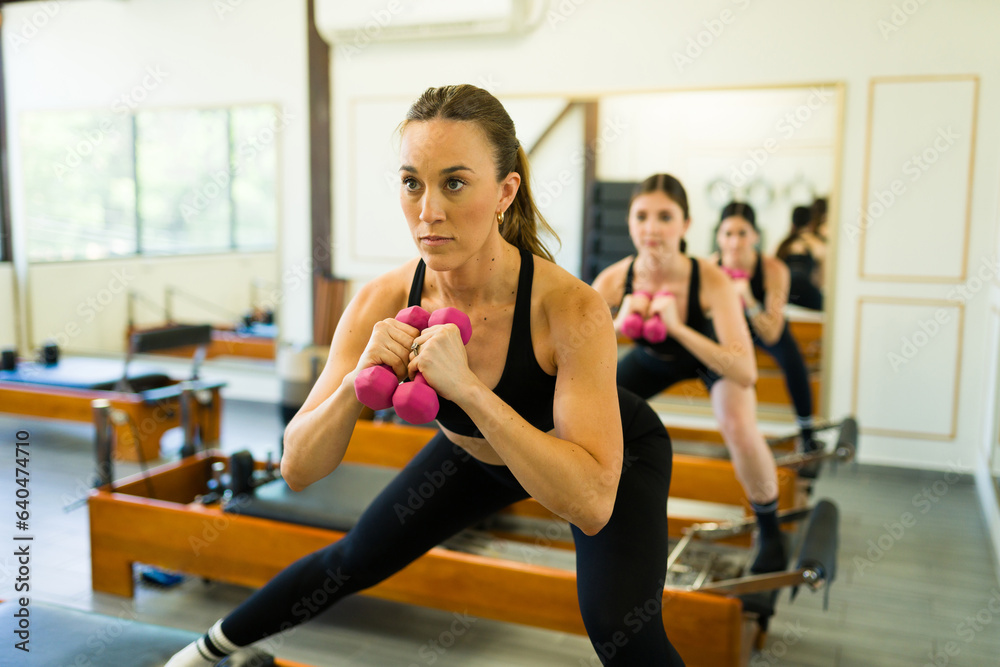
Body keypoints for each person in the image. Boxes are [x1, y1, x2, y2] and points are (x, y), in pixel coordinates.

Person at [165, 85, 684, 667]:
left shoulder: (569, 308)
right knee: (357, 558)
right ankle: (204, 653)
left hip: (602, 459)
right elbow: (299, 466)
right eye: (412, 182)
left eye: (455, 183)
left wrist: (466, 389)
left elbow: (589, 504)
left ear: (505, 191)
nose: (428, 211)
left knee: (620, 629)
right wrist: (356, 379)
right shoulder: (382, 299)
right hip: (475, 454)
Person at [591, 174, 787, 576]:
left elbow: (745, 370)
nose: (652, 228)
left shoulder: (710, 280)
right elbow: (571, 357)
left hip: (711, 359)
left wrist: (679, 328)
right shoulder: (614, 280)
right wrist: (616, 326)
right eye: (641, 216)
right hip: (652, 360)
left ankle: (770, 531)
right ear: (629, 221)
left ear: (686, 225)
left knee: (738, 424)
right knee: (591, 405)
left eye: (665, 216)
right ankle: (605, 516)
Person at [714, 201, 819, 455]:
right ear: (719, 236)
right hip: (728, 330)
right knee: (734, 370)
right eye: (728, 234)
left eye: (742, 233)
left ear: (755, 236)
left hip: (764, 327)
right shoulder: (709, 268)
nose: (735, 242)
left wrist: (748, 299)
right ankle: (741, 431)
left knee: (793, 362)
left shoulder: (774, 269)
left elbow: (772, 333)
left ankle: (807, 433)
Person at [775, 205, 825, 311]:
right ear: (811, 224)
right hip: (808, 295)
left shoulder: (783, 245)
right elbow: (821, 280)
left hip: (785, 294)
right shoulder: (816, 244)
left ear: (792, 223)